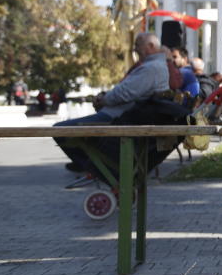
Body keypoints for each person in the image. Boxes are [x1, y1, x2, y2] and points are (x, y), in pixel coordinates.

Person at [54, 33, 169, 173]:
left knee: (60, 129)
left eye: (137, 45)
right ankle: (93, 164)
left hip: (119, 117)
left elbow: (124, 93)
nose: (135, 50)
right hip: (125, 114)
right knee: (64, 129)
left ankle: (95, 167)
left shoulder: (152, 68)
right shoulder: (155, 66)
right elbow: (125, 90)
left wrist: (103, 99)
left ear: (150, 46)